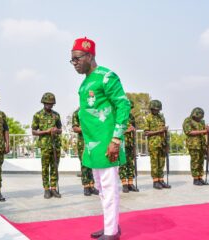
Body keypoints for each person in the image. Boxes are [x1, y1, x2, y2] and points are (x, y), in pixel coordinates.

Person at [71, 37, 130, 240]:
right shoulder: (86, 81)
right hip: (92, 145)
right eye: (72, 60)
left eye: (77, 59)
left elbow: (123, 105)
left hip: (106, 143)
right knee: (100, 188)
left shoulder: (107, 76)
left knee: (109, 187)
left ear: (89, 55)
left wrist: (115, 140)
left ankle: (111, 232)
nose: (74, 63)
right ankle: (109, 226)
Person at [32, 92, 62, 199]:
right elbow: (34, 131)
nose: (49, 105)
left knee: (54, 167)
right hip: (45, 145)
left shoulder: (56, 115)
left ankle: (53, 188)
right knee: (45, 168)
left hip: (55, 145)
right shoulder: (37, 115)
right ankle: (46, 189)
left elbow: (60, 130)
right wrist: (46, 131)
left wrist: (56, 130)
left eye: (51, 103)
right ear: (43, 103)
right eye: (47, 103)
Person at [144, 100, 171, 190]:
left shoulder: (161, 117)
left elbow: (164, 131)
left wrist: (167, 144)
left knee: (162, 162)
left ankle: (161, 180)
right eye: (155, 109)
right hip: (153, 144)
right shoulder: (148, 118)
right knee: (155, 163)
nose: (157, 111)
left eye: (158, 109)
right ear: (151, 108)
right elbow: (146, 133)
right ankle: (155, 181)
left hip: (162, 143)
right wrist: (159, 131)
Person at [72, 107, 99, 196]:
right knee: (84, 164)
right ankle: (86, 186)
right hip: (82, 142)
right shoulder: (77, 112)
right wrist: (86, 128)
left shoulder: (92, 111)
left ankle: (92, 186)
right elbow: (75, 128)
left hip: (92, 141)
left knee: (92, 163)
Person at [183, 107, 209, 185]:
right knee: (195, 161)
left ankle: (200, 177)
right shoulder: (188, 120)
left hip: (202, 144)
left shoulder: (201, 122)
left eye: (201, 117)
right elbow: (189, 132)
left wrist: (207, 130)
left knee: (201, 162)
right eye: (199, 117)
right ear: (194, 115)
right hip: (193, 145)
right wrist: (204, 131)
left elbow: (203, 131)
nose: (200, 119)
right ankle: (195, 179)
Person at [119, 99, 138, 193]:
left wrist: (133, 130)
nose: (129, 109)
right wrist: (127, 130)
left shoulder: (131, 117)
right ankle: (124, 184)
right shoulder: (119, 116)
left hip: (130, 144)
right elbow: (115, 130)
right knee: (123, 163)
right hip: (122, 144)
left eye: (130, 108)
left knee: (131, 163)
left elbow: (134, 129)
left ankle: (130, 183)